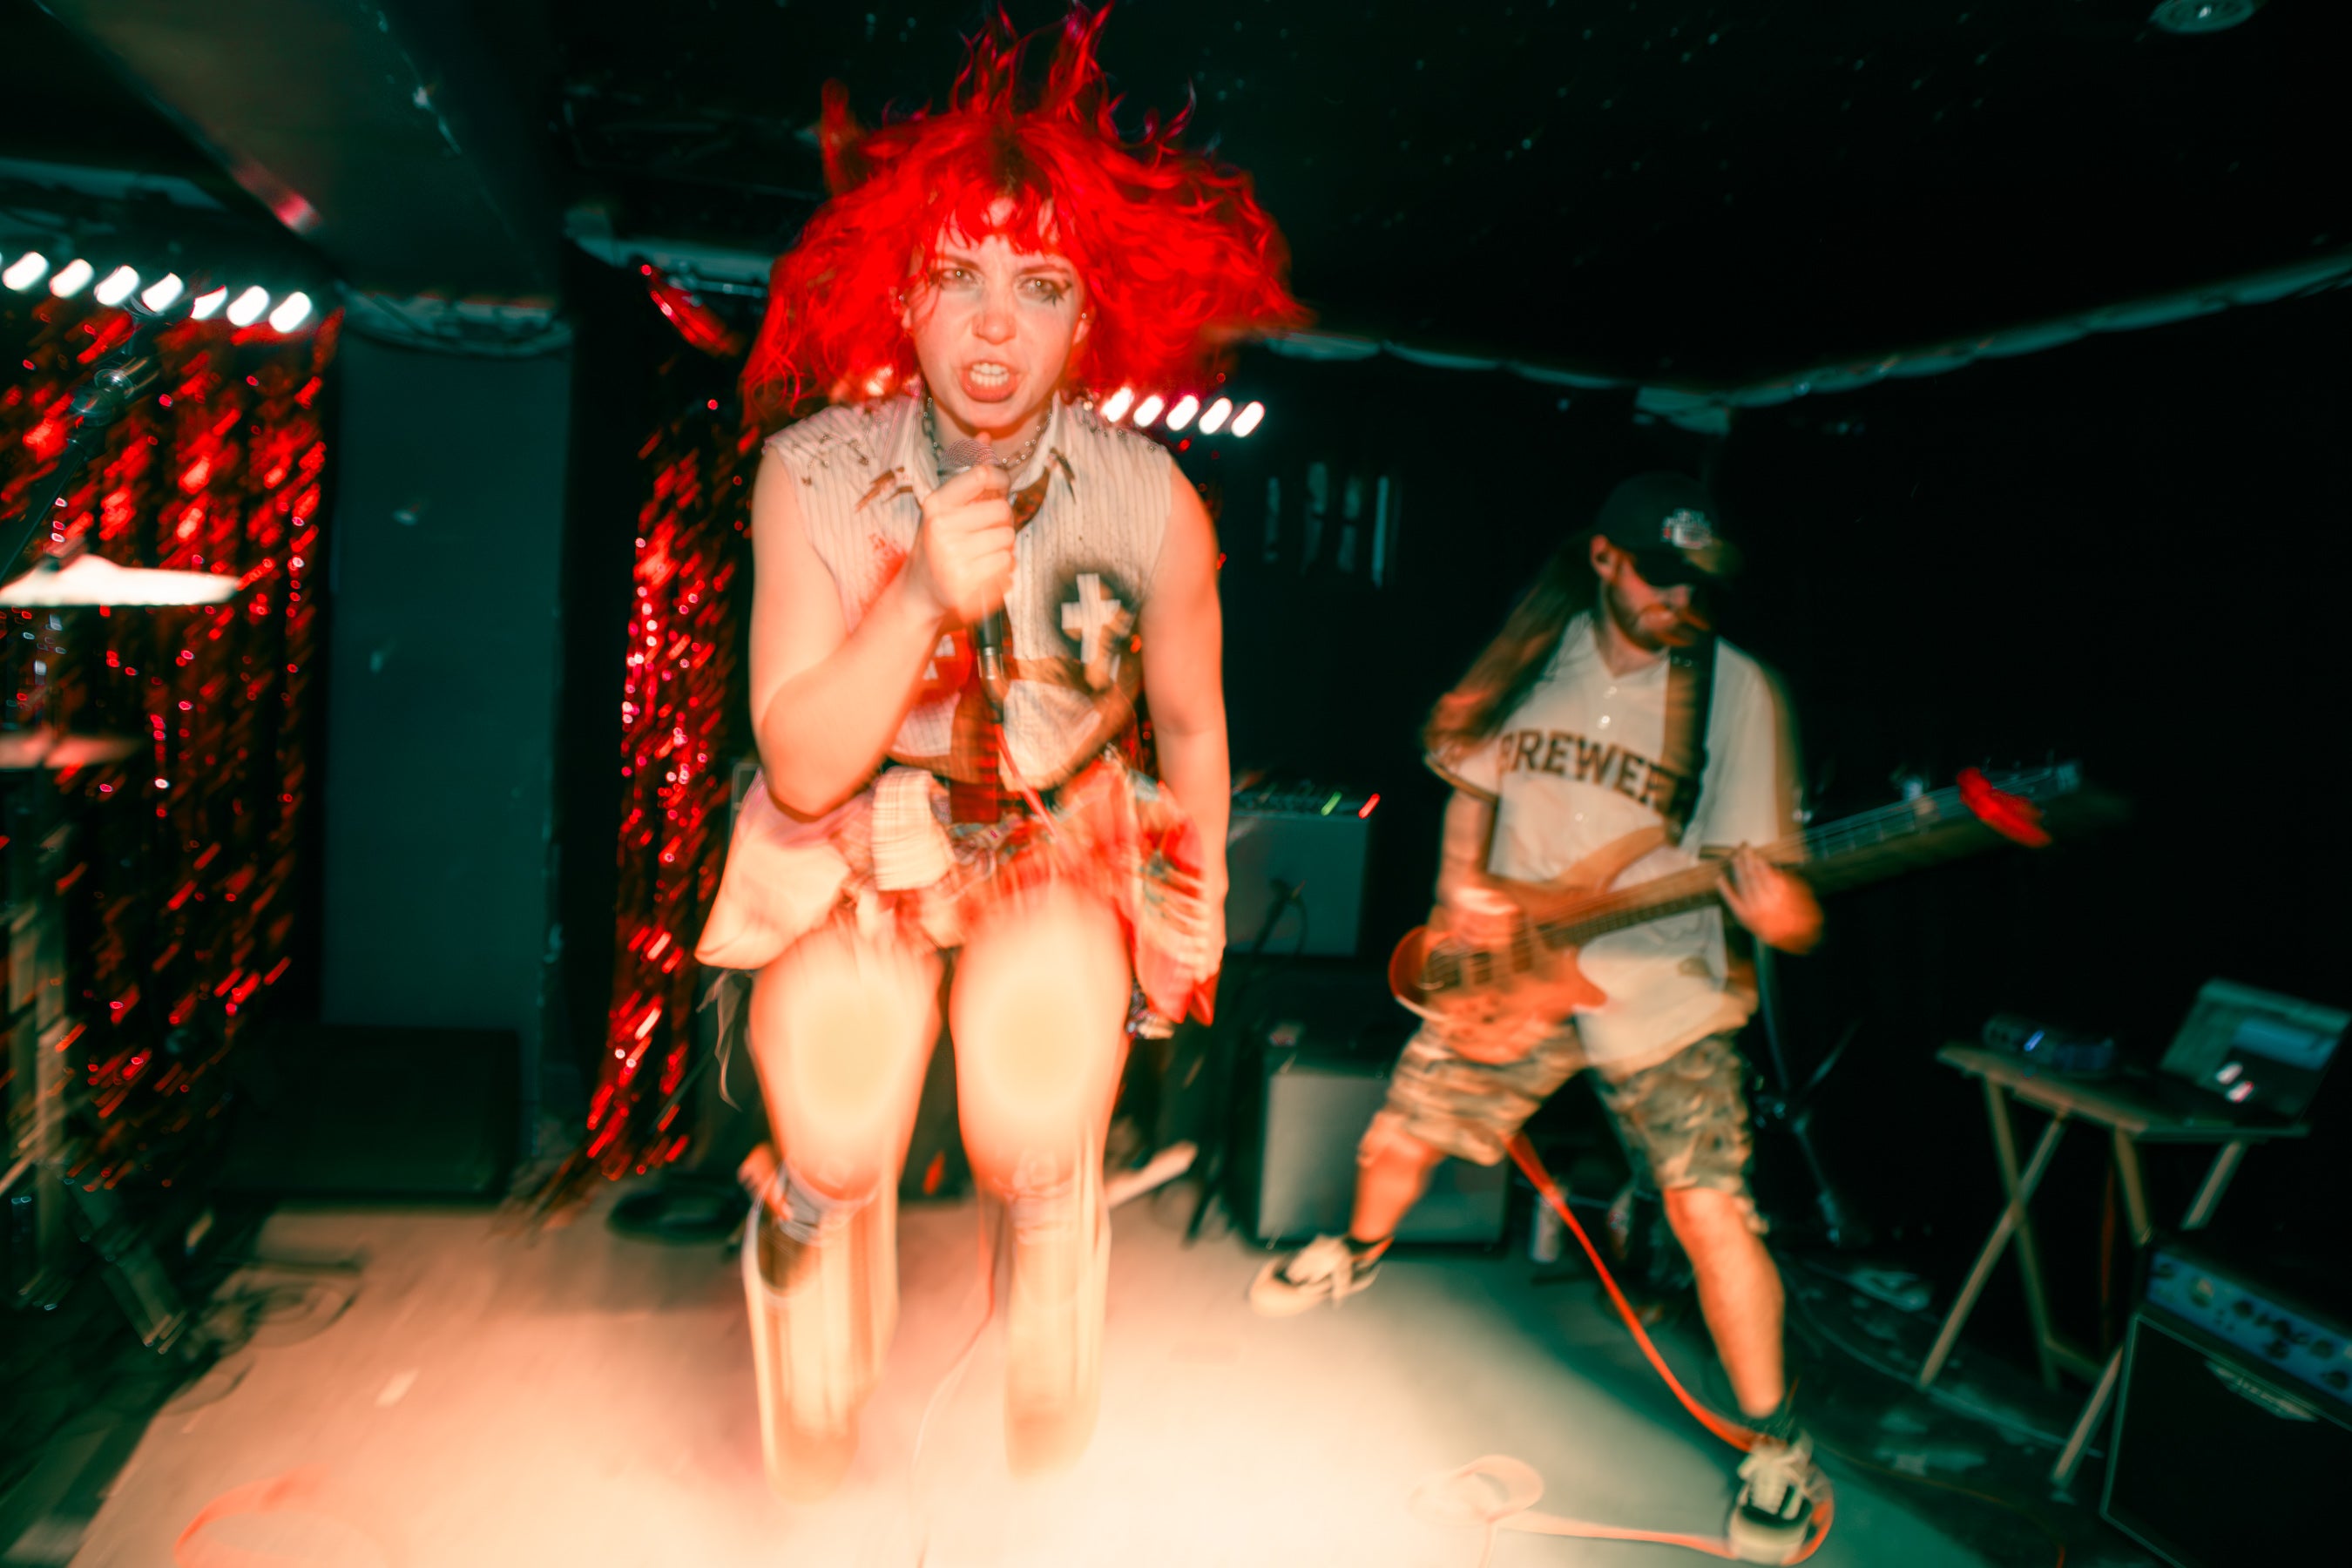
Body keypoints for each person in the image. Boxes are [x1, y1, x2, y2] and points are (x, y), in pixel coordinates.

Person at [693, 3, 1302, 1498]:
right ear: (903, 298)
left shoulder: (1153, 501)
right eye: (958, 278)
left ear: (1086, 322)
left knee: (1028, 1113)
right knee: (843, 1130)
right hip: (856, 841)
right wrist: (915, 599)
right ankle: (805, 1223)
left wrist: (1198, 897)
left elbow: (1194, 721)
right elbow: (801, 767)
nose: (990, 326)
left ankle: (1051, 1219)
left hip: (1050, 840)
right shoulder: (811, 476)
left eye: (1037, 287)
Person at [1248, 473, 1830, 1562]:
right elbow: (1470, 792)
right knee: (1397, 1139)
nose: (1680, 601)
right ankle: (1354, 1251)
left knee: (1712, 1214)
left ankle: (1777, 1444)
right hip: (1516, 965)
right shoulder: (1532, 659)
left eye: (1698, 584)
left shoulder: (1738, 693)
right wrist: (1455, 901)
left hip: (1665, 991)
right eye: (1659, 576)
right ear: (1604, 559)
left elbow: (1795, 914)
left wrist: (1778, 912)